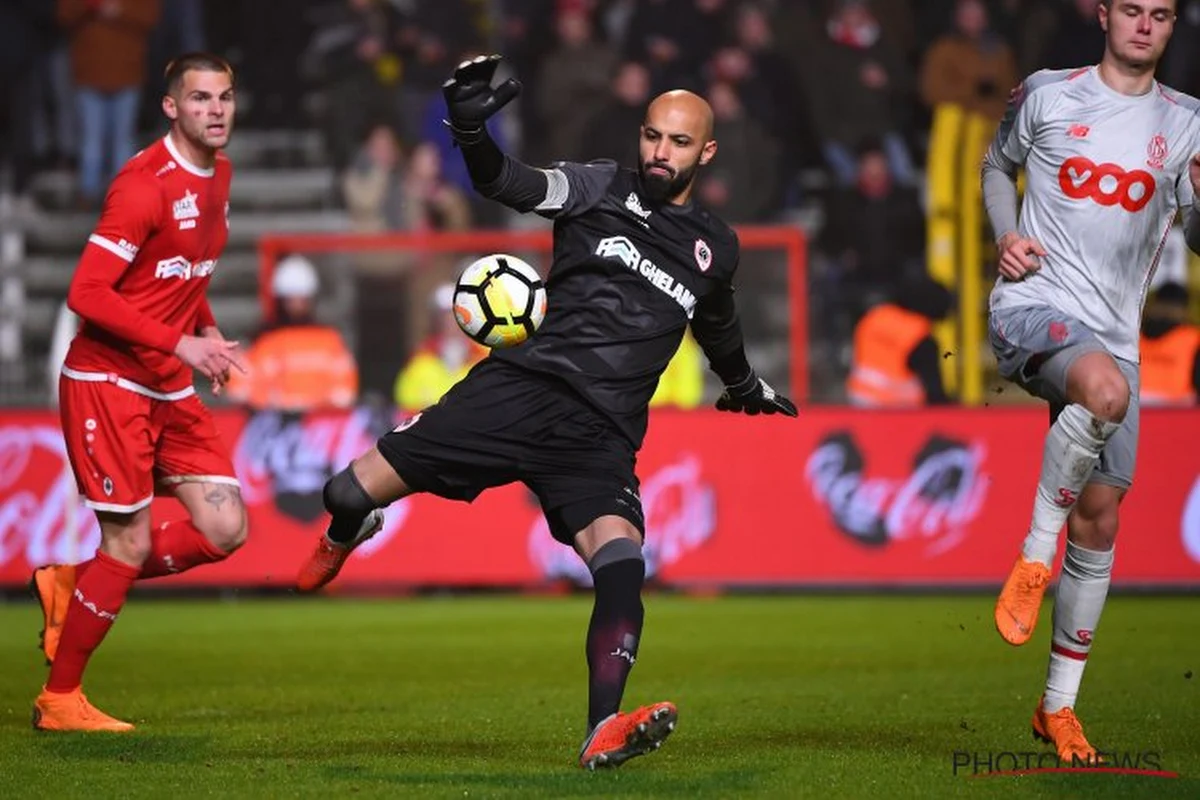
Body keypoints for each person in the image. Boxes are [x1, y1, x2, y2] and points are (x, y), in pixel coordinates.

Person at [295, 54, 797, 769]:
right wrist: (471, 130)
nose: (659, 152)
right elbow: (509, 181)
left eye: (678, 142)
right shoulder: (597, 186)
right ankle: (351, 529)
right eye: (653, 136)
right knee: (342, 491)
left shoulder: (715, 246)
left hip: (601, 434)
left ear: (706, 152)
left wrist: (743, 384)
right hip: (519, 390)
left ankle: (602, 727)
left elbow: (717, 323)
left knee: (623, 563)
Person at [981, 0, 1200, 763]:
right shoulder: (1047, 92)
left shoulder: (1188, 122)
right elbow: (994, 164)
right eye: (1133, 10)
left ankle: (1057, 710)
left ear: (1174, 26)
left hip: (1114, 335)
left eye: (1162, 15)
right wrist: (1006, 233)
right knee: (1105, 396)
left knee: (1101, 518)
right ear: (1104, 15)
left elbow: (1197, 235)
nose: (1146, 26)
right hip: (1030, 306)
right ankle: (1033, 555)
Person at [29, 53, 249, 732]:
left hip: (166, 383)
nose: (215, 110)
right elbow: (86, 293)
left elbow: (185, 270)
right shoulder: (143, 185)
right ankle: (60, 700)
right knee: (126, 543)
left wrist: (204, 329)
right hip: (108, 382)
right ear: (171, 108)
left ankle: (72, 582)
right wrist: (181, 343)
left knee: (225, 529)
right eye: (200, 98)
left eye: (224, 97)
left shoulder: (222, 176)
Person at [226, 253, 359, 413]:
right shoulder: (263, 341)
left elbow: (345, 392)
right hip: (274, 428)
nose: (296, 306)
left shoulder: (329, 340)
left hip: (320, 429)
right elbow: (240, 390)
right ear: (280, 300)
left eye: (302, 299)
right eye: (291, 299)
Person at [846, 276, 953, 407]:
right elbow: (935, 395)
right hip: (900, 413)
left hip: (859, 404)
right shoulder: (920, 337)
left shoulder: (873, 318)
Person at [393, 282, 486, 412]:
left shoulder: (484, 360)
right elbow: (405, 409)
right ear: (436, 322)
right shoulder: (420, 361)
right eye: (446, 318)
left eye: (458, 316)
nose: (452, 324)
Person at [1138, 281, 1200, 405]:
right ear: (1183, 310)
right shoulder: (1193, 338)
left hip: (1133, 410)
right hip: (1179, 413)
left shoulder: (1131, 333)